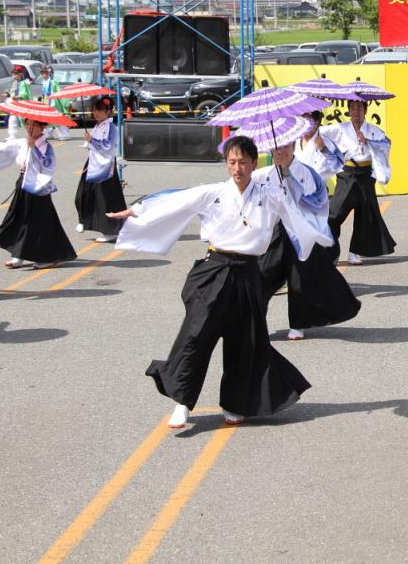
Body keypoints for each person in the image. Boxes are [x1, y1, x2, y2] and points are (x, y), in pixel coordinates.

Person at [108, 135, 331, 428]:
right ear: (227, 164)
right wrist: (136, 210)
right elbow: (174, 201)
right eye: (232, 162)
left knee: (245, 342)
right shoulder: (213, 193)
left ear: (254, 163)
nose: (237, 168)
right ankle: (182, 402)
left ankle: (234, 403)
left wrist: (288, 176)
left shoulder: (270, 194)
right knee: (195, 335)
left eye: (243, 162)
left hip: (251, 273)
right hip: (215, 270)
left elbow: (303, 209)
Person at [254, 140, 361, 341]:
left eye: (285, 146)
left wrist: (290, 181)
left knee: (299, 280)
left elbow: (316, 201)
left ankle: (298, 324)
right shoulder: (263, 175)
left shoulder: (306, 173)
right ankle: (254, 323)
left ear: (293, 147)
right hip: (275, 233)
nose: (280, 151)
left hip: (300, 231)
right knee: (261, 276)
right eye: (277, 148)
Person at [0, 118, 77, 269]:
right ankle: (19, 254)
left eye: (33, 124)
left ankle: (48, 256)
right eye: (27, 124)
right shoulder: (21, 142)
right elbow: (3, 147)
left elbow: (48, 166)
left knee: (39, 222)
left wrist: (35, 149)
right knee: (20, 218)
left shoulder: (46, 146)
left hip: (39, 187)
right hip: (23, 183)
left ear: (42, 126)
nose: (29, 127)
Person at [320, 99, 396, 265]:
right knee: (334, 214)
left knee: (364, 215)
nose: (356, 112)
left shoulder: (373, 131)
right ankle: (329, 250)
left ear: (365, 110)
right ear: (348, 111)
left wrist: (368, 141)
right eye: (352, 108)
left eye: (359, 108)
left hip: (366, 175)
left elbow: (386, 144)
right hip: (347, 174)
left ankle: (354, 252)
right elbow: (319, 133)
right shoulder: (340, 129)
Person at [73, 97, 126, 243]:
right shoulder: (99, 125)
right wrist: (89, 142)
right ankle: (84, 220)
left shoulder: (110, 127)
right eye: (94, 110)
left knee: (106, 199)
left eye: (99, 110)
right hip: (93, 163)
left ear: (108, 111)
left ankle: (111, 230)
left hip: (105, 167)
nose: (95, 113)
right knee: (83, 194)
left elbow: (108, 146)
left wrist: (92, 141)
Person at [39, 66, 72, 141]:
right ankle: (48, 134)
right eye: (42, 73)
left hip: (54, 102)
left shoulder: (53, 82)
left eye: (45, 73)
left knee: (57, 119)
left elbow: (59, 91)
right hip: (47, 102)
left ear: (49, 73)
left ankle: (64, 134)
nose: (44, 75)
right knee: (48, 119)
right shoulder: (44, 82)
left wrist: (63, 101)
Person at [0, 64, 32, 139]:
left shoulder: (24, 83)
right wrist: (6, 94)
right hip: (15, 105)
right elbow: (12, 92)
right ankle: (12, 135)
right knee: (12, 119)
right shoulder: (15, 83)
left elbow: (24, 94)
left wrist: (17, 97)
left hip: (22, 105)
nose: (13, 76)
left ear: (20, 74)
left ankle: (33, 134)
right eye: (13, 74)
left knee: (26, 121)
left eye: (15, 74)